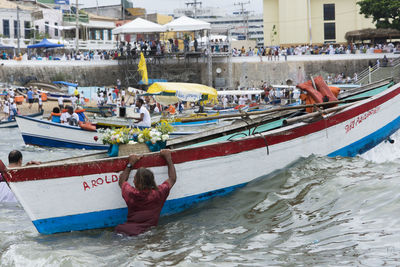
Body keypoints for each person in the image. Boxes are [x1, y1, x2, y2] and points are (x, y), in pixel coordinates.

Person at [115, 149, 176, 236]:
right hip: (146, 233)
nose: (133, 182)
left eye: (134, 179)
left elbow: (122, 181)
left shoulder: (131, 193)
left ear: (136, 182)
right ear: (152, 180)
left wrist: (130, 163)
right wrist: (168, 158)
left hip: (124, 230)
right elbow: (172, 179)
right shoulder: (159, 193)